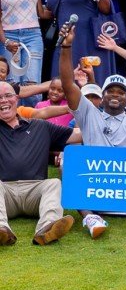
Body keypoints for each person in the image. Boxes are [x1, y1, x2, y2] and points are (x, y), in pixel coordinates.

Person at [57, 29, 126, 237]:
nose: (115, 96)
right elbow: (67, 84)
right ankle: (90, 217)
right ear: (103, 95)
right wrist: (66, 47)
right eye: (110, 91)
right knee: (67, 163)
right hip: (95, 191)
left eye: (121, 93)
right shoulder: (89, 114)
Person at [0, 79, 76, 245]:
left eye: (7, 96)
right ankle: (1, 229)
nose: (3, 101)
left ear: (17, 99)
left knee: (54, 183)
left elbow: (77, 135)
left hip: (35, 191)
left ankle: (47, 229)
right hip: (4, 191)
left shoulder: (40, 127)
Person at [0, 0, 44, 84]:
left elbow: (41, 12)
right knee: (12, 83)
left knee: (32, 82)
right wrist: (5, 42)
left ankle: (30, 107)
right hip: (9, 37)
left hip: (33, 36)